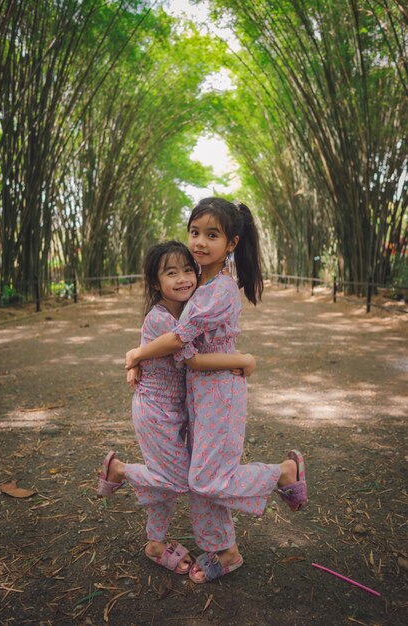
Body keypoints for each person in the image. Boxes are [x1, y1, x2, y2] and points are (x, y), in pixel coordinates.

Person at [123, 198, 308, 584]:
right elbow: (173, 340)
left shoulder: (218, 290)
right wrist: (142, 361)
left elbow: (181, 347)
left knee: (207, 479)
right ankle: (225, 552)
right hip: (199, 395)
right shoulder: (198, 286)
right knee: (199, 477)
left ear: (232, 243)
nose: (200, 242)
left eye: (212, 234)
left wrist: (136, 354)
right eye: (194, 232)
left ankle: (283, 472)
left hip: (220, 396)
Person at [97, 240, 257, 576]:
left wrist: (136, 357)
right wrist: (243, 359)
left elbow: (154, 347)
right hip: (156, 411)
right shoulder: (161, 319)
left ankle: (156, 543)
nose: (183, 278)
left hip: (181, 408)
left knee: (169, 481)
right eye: (172, 273)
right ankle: (120, 470)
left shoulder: (187, 310)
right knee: (177, 480)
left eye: (188, 270)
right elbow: (187, 352)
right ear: (156, 283)